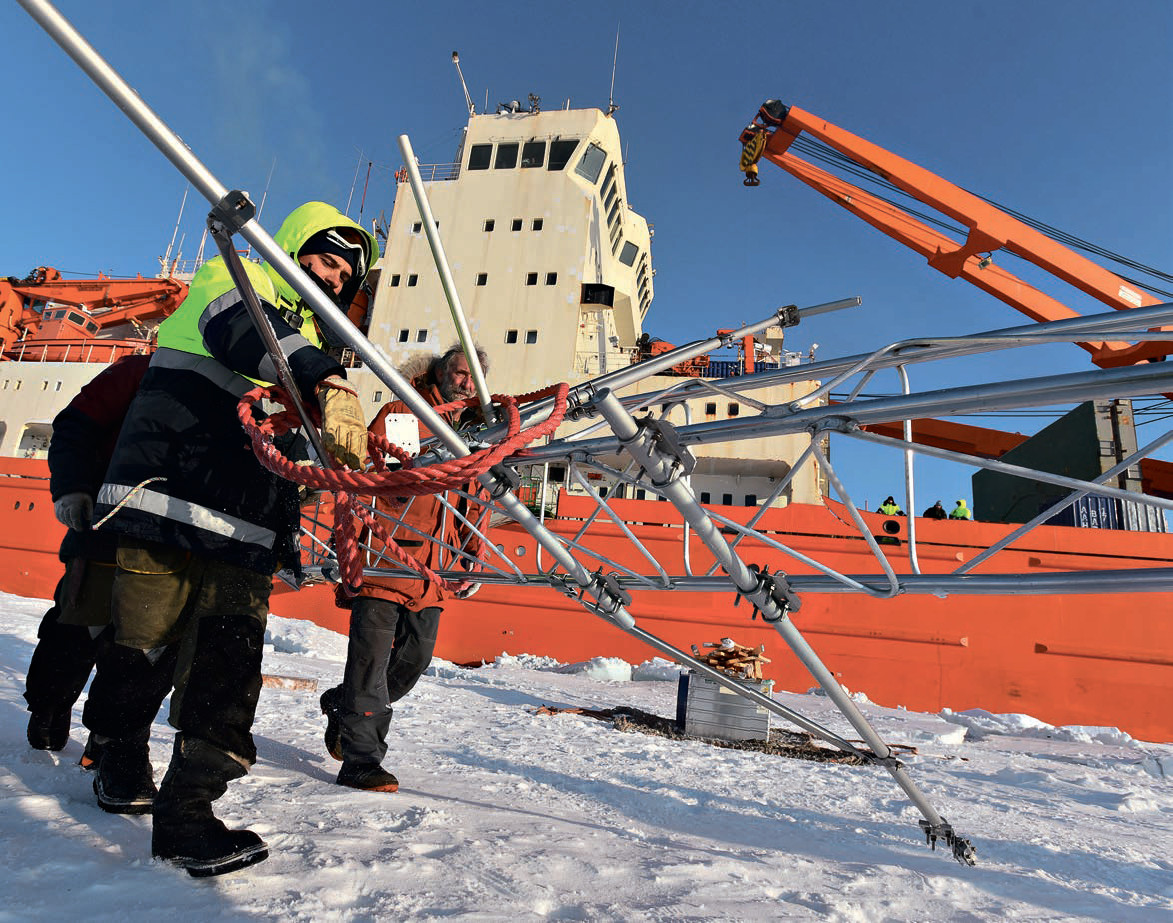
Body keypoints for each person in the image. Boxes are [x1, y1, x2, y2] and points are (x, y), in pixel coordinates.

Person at [82, 201, 378, 877]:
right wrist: (326, 380)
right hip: (167, 495)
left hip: (244, 524)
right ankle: (118, 753)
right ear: (295, 249)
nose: (332, 278)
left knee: (230, 662)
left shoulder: (311, 343)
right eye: (326, 259)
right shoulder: (235, 276)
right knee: (143, 643)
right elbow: (239, 325)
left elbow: (286, 441)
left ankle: (188, 814)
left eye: (345, 275)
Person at [320, 344, 487, 793]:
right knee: (369, 662)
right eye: (459, 372)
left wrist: (473, 555)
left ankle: (344, 703)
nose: (465, 383)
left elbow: (474, 499)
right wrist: (349, 545)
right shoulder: (401, 414)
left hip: (432, 568)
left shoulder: (473, 430)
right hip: (385, 558)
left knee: (415, 659)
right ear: (440, 372)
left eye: (473, 377)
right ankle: (361, 760)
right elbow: (367, 478)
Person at [23, 354, 151, 760]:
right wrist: (72, 489)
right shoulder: (138, 372)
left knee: (136, 644)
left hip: (169, 540)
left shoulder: (233, 386)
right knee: (77, 626)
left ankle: (107, 735)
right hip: (104, 527)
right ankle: (49, 707)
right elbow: (75, 426)